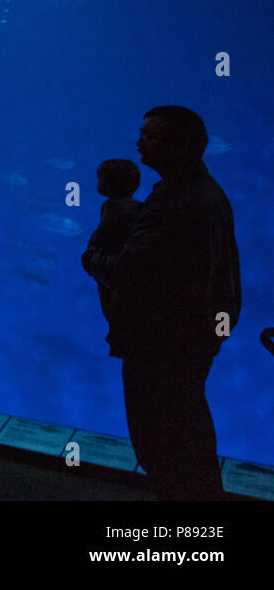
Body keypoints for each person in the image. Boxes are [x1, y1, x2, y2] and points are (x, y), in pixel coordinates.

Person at [83, 106, 240, 499]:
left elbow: (130, 272)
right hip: (192, 338)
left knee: (161, 445)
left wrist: (91, 258)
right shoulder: (206, 192)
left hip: (160, 344)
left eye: (150, 136)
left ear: (182, 145)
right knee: (189, 433)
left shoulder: (176, 203)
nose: (139, 143)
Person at [85, 159, 142, 342]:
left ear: (107, 187)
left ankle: (120, 333)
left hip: (112, 271)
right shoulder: (140, 207)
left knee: (115, 307)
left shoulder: (113, 208)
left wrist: (92, 251)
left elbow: (103, 235)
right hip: (127, 277)